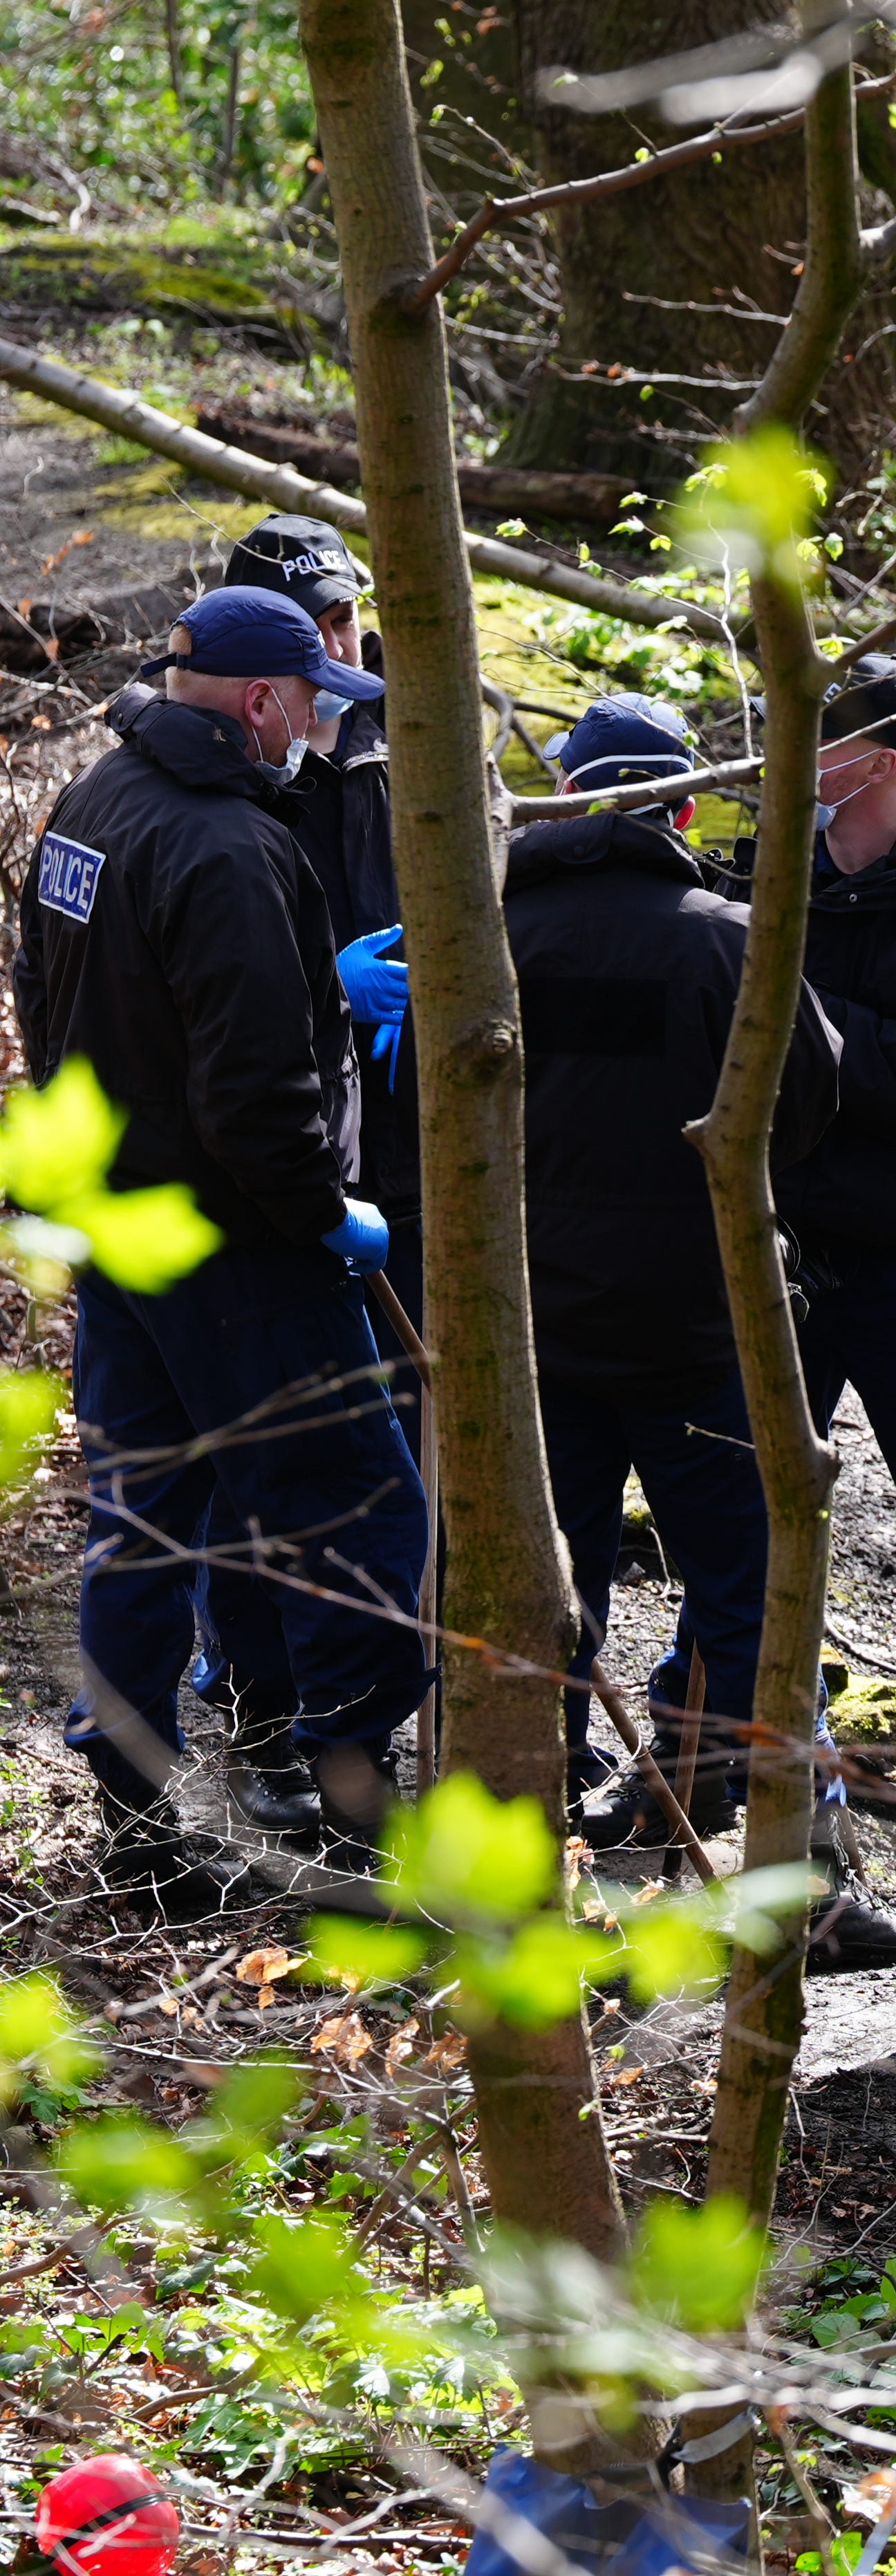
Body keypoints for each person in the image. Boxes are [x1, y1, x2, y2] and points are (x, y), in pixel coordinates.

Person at [505, 695, 896, 1972]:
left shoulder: (489, 940)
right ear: (688, 808)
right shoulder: (729, 943)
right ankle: (803, 1892)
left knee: (533, 1600)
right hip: (701, 1331)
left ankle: (523, 1884)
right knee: (760, 1603)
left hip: (531, 1335)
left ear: (570, 799)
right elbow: (807, 1107)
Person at [11, 586, 428, 1907]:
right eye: (311, 702)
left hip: (121, 1229)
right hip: (244, 1254)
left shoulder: (93, 804)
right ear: (259, 702)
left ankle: (135, 1819)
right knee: (360, 1520)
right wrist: (325, 1215)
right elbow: (258, 1095)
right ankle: (360, 1817)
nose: (318, 726)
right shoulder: (229, 849)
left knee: (144, 1524)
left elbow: (42, 999)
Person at [161, 515, 411, 1837]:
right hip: (274, 1172)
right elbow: (220, 985)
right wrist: (329, 987)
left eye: (348, 620)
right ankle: (271, 1722)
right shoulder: (217, 787)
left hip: (391, 1147)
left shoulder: (384, 744)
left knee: (379, 1459)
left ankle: (350, 1723)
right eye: (313, 630)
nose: (341, 650)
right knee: (260, 1468)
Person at [731, 653, 896, 1625]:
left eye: (811, 739)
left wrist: (799, 1019)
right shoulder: (764, 877)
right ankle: (705, 1748)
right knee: (740, 1519)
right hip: (775, 1249)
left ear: (881, 763)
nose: (776, 759)